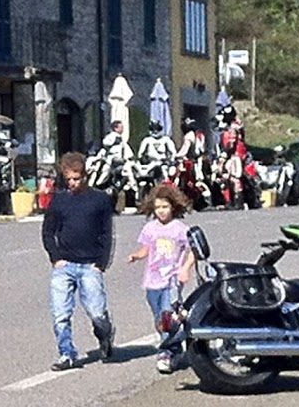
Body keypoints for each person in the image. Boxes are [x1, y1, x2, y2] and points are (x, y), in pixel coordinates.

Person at [42, 151, 115, 370]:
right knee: (60, 313)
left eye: (76, 178)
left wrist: (101, 263)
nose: (72, 183)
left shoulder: (100, 200)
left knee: (97, 313)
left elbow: (107, 233)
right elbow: (48, 231)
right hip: (65, 265)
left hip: (90, 265)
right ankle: (67, 353)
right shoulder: (59, 200)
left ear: (85, 176)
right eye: (69, 179)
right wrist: (56, 258)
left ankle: (105, 336)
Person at [127, 182, 196, 374]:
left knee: (167, 316)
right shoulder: (150, 228)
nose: (161, 211)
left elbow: (194, 251)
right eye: (157, 207)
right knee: (160, 320)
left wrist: (185, 269)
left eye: (165, 206)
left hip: (172, 280)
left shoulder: (180, 229)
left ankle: (166, 353)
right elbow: (146, 248)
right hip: (152, 281)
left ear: (173, 206)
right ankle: (178, 345)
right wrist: (136, 256)